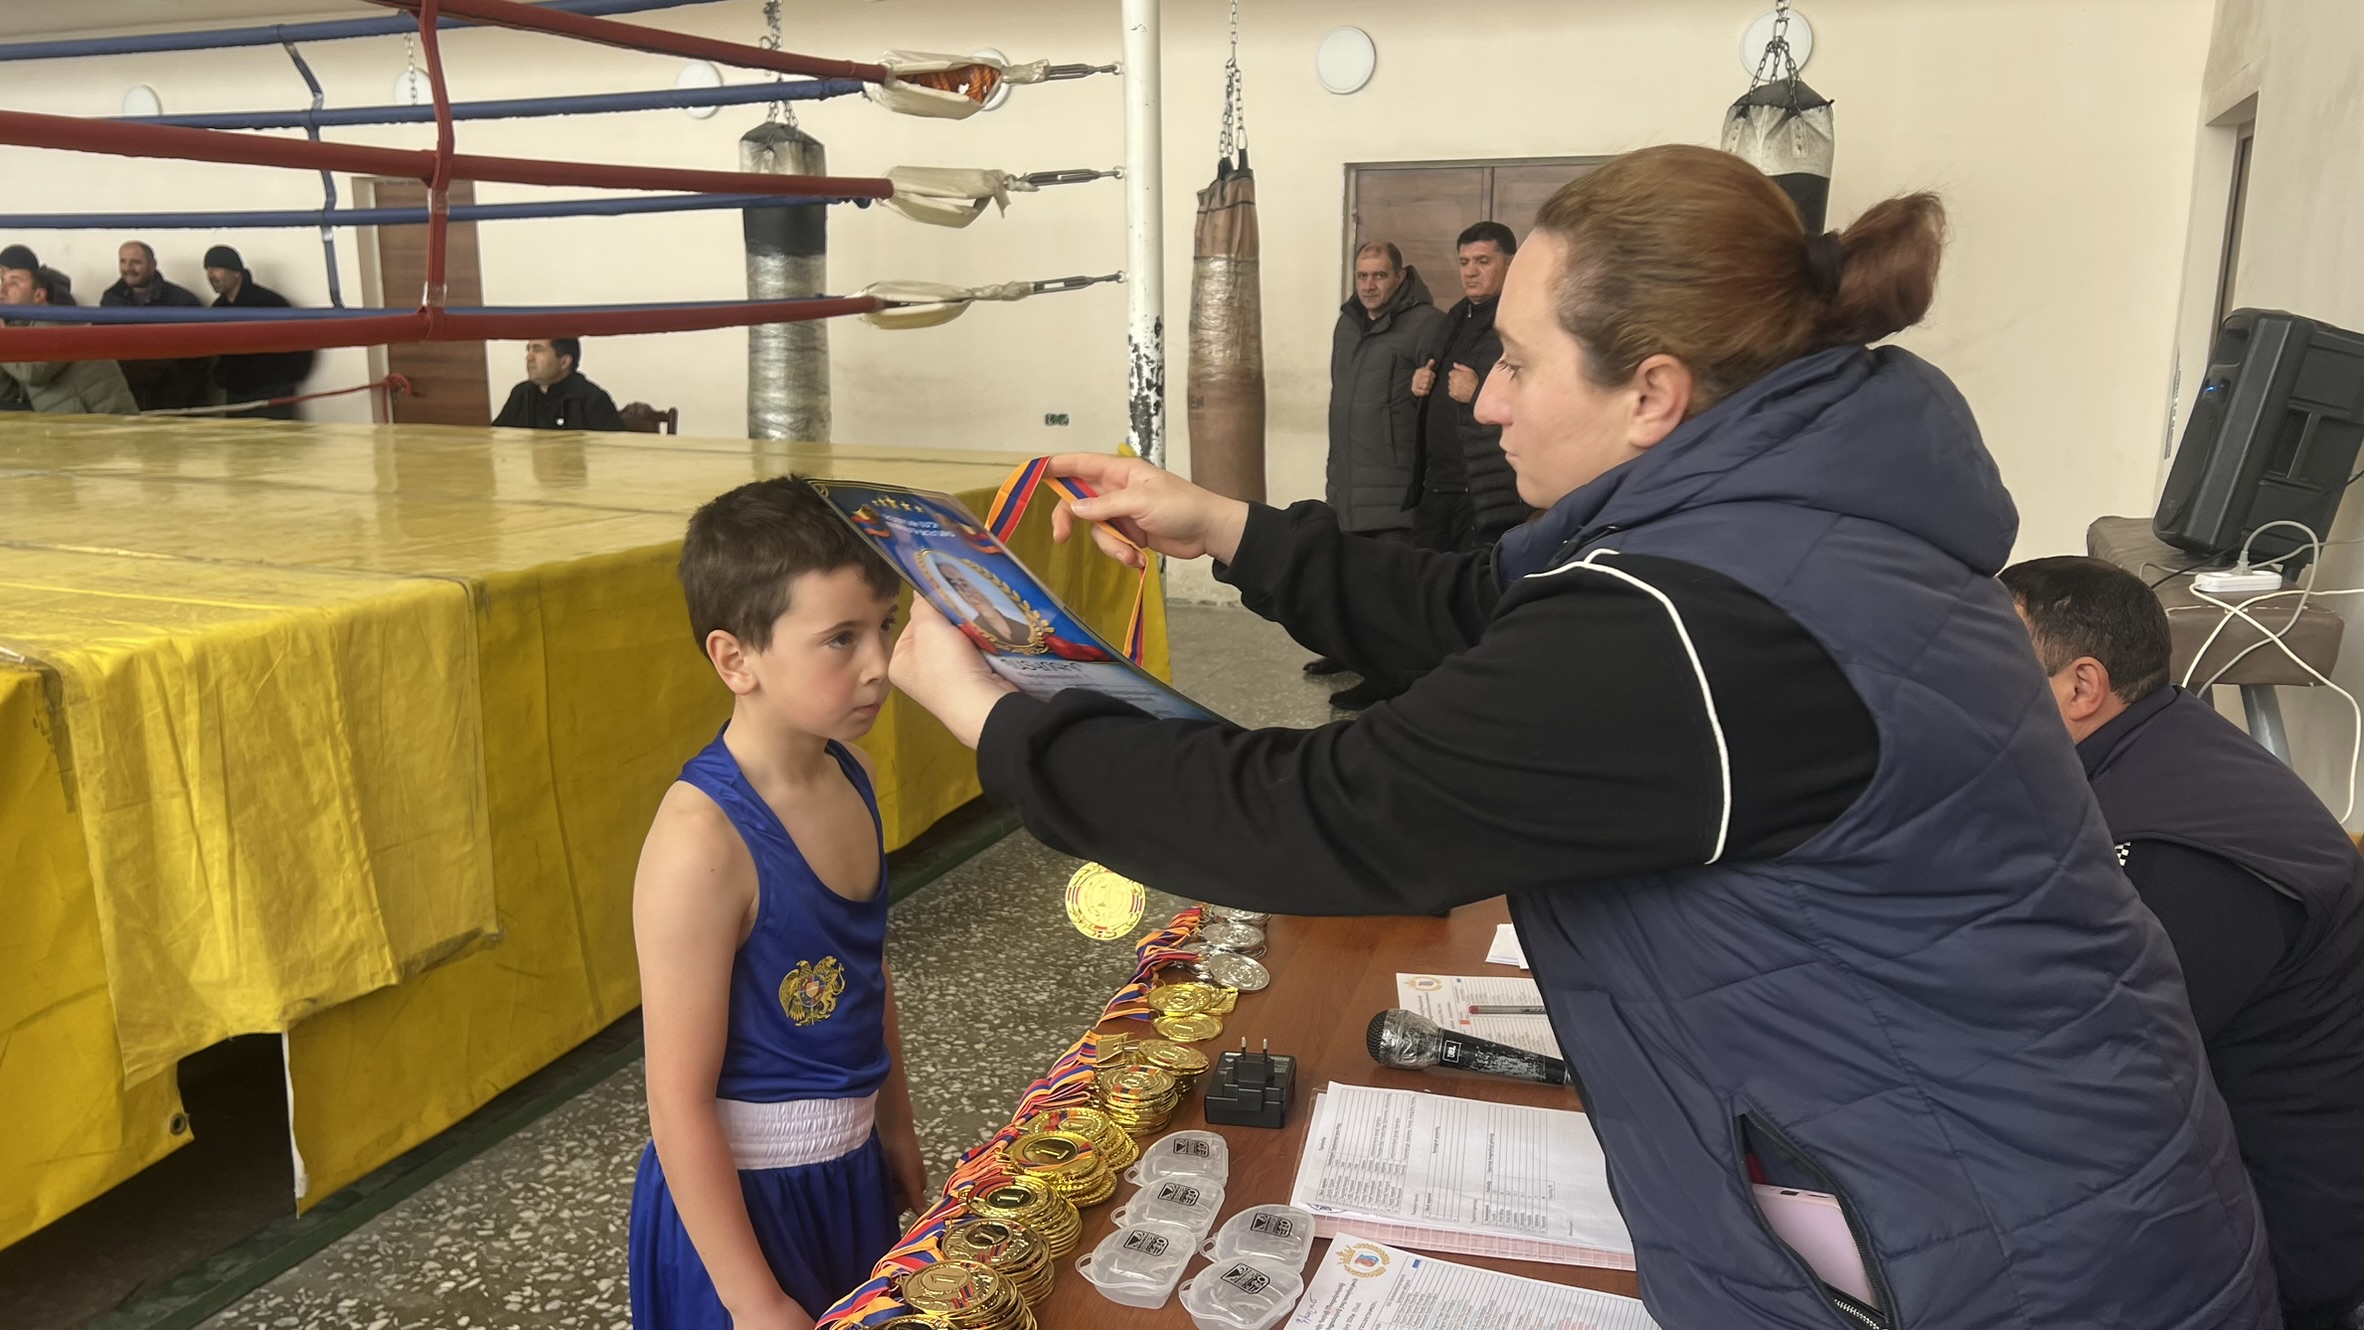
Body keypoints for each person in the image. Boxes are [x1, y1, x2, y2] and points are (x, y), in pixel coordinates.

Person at [888, 145, 2277, 1329]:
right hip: (2025, 1188)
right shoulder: (1781, 517)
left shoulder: (1706, 624)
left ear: (1653, 395)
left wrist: (994, 716)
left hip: (2004, 1260)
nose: (1484, 397)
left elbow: (1325, 814)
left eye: (1518, 362)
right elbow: (1480, 610)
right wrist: (1227, 527)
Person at [2002, 554, 2364, 1330]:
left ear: (2082, 687)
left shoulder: (2172, 854)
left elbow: (2090, 1083)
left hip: (2275, 1244)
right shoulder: (2163, 743)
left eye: (1988, 664)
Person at [629, 475, 928, 1330]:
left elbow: (867, 975)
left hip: (850, 1177)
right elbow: (677, 1104)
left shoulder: (852, 770)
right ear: (736, 660)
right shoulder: (701, 845)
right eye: (841, 639)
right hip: (738, 1216)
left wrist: (895, 1131)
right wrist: (754, 1300)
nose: (880, 664)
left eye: (885, 626)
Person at [1319, 241, 1447, 707]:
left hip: (1393, 483)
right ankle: (1351, 654)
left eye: (1379, 275)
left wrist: (1421, 390)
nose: (1369, 285)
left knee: (1386, 589)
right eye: (1362, 276)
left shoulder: (1427, 324)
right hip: (1348, 478)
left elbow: (1443, 400)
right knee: (1348, 577)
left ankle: (1390, 677)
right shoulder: (1347, 324)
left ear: (1400, 277)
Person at [1407, 221, 1525, 552]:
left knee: (1477, 578)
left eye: (1483, 261)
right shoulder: (1456, 316)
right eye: (1464, 262)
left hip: (1486, 493)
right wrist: (1420, 387)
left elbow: (1540, 401)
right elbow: (1440, 390)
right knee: (1427, 576)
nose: (1471, 271)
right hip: (1437, 486)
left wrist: (1477, 394)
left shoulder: (1520, 322)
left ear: (1510, 264)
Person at [0, 264, 139, 415]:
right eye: (2, 282)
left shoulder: (56, 321)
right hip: (79, 422)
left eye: (14, 283)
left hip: (102, 419)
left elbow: (33, 374)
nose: (3, 289)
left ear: (39, 295)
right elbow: (11, 393)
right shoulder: (21, 329)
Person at [204, 245, 316, 419]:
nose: (211, 275)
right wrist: (223, 377)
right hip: (237, 395)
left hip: (270, 395)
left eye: (217, 268)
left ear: (236, 272)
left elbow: (301, 344)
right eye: (208, 269)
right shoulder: (218, 309)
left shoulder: (269, 303)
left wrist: (281, 381)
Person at [101, 240, 212, 411]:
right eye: (123, 261)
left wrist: (176, 397)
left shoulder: (181, 301)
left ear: (153, 265)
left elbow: (198, 360)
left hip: (171, 403)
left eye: (136, 262)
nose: (128, 268)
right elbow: (101, 345)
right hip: (124, 398)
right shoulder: (111, 299)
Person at [492, 337, 623, 431]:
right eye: (529, 349)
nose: (529, 357)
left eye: (538, 350)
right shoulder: (521, 394)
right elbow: (496, 440)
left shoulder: (593, 400)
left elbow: (614, 453)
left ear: (564, 362)